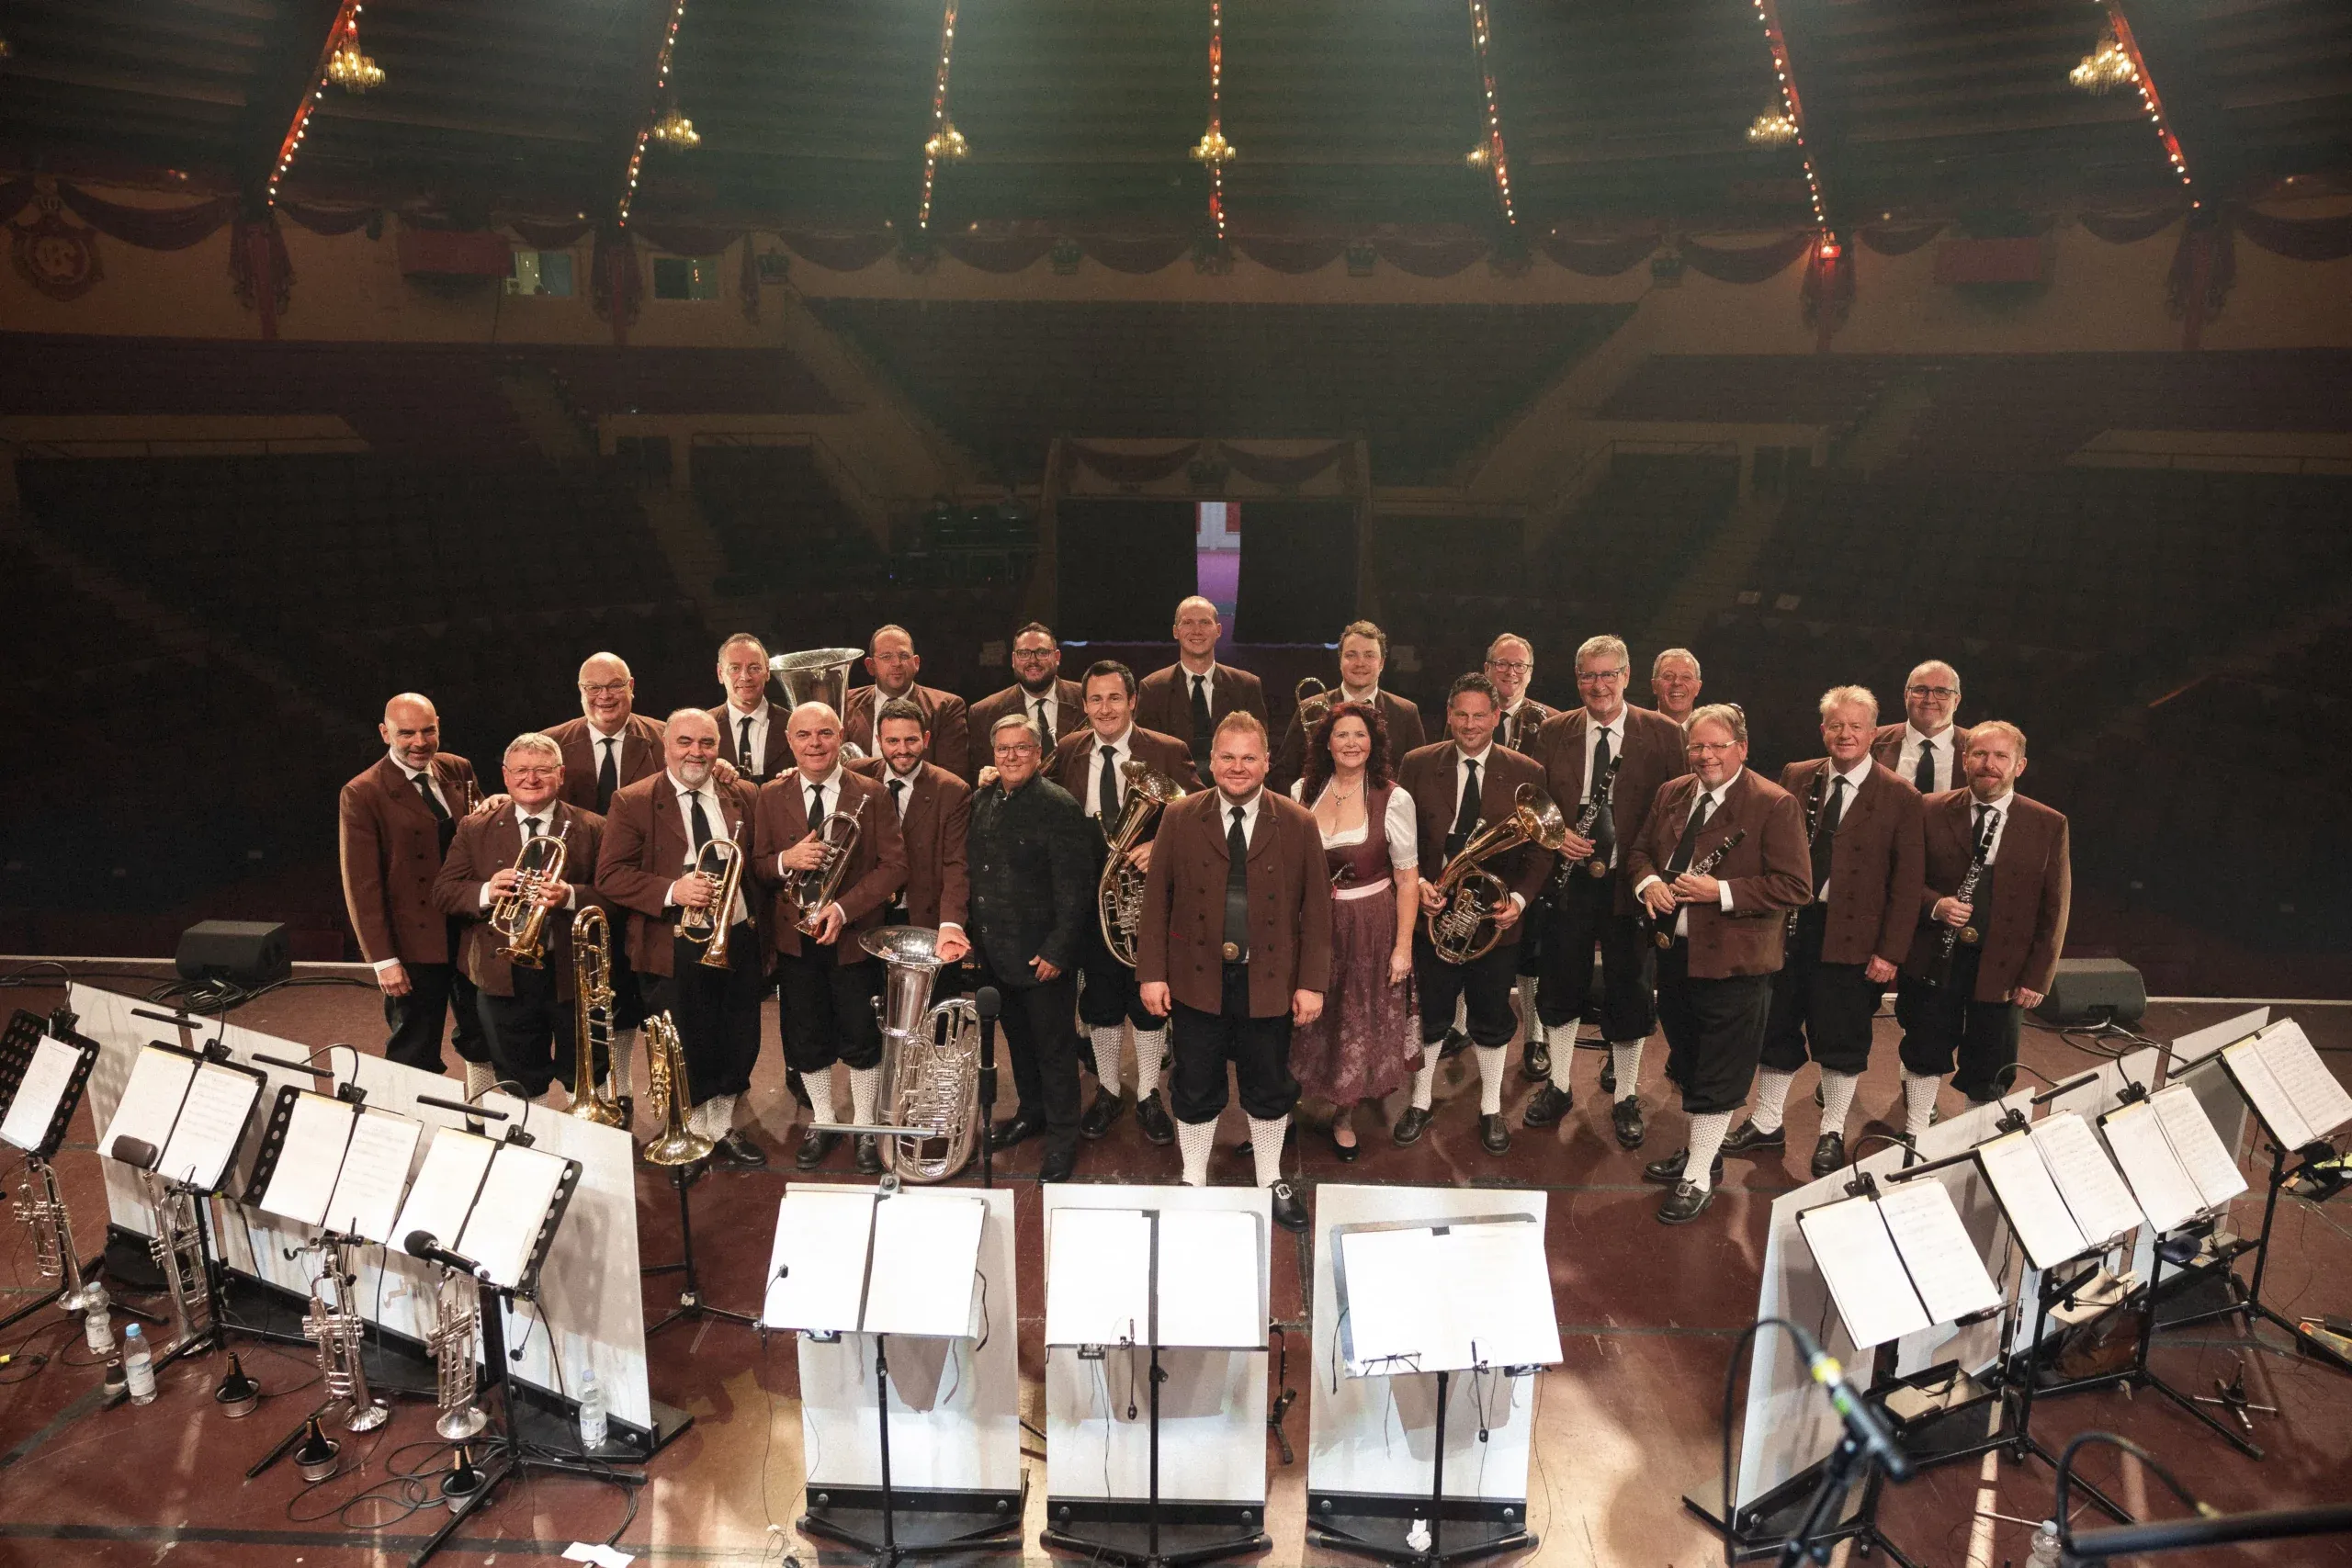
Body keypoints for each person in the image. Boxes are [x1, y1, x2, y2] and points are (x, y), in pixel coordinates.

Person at [1136, 712, 1329, 1232]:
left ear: (1266, 763)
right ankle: (1193, 1180)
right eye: (1227, 757)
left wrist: (1311, 983)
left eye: (1248, 757)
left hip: (1269, 981)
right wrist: (1152, 973)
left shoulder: (1298, 822)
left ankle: (1270, 1179)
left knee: (1268, 1083)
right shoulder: (1180, 817)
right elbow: (1155, 903)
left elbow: (1316, 911)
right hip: (1195, 979)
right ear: (1211, 761)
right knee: (1195, 1083)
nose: (1237, 767)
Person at [1726, 687, 1924, 1178]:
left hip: (1854, 939)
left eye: (1856, 726)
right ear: (1822, 730)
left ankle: (1832, 1130)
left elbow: (1907, 884)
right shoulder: (1796, 775)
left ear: (1874, 734)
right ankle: (1767, 1121)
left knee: (1842, 1037)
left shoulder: (1901, 795)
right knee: (1776, 1026)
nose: (1845, 734)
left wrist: (1889, 952)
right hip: (1789, 928)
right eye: (1836, 725)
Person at [1630, 704, 1811, 1224]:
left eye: (1717, 746)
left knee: (1719, 1070)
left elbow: (1795, 886)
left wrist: (1721, 891)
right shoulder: (1672, 792)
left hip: (1737, 964)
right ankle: (1701, 1155)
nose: (1705, 755)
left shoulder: (1774, 804)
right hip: (1675, 955)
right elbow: (1640, 852)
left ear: (1742, 748)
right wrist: (1649, 883)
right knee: (1688, 1060)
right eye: (1697, 746)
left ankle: (1698, 1177)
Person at [1525, 636, 1687, 1145]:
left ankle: (1626, 1096)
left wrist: (1652, 871)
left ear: (1627, 676)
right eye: (1589, 676)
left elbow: (1679, 810)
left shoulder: (1663, 733)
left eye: (1608, 674)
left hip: (1632, 882)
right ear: (1578, 680)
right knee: (1560, 981)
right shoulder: (1553, 731)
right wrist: (1556, 836)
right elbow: (1534, 804)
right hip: (1568, 881)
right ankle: (1558, 1085)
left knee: (1630, 988)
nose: (1599, 685)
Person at [594, 708, 765, 1164]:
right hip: (672, 944)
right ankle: (690, 1132)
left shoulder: (742, 793)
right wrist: (673, 890)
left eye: (707, 743)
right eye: (685, 742)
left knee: (738, 1038)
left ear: (719, 748)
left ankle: (721, 1128)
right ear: (665, 746)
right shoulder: (633, 800)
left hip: (736, 936)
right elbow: (610, 875)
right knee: (685, 1041)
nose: (696, 752)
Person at [1395, 671, 1550, 1154]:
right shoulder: (1418, 763)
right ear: (1448, 715)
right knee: (1430, 1015)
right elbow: (1398, 836)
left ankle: (1490, 1108)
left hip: (1494, 922)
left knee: (1491, 1016)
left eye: (1480, 715)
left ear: (1497, 716)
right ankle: (1419, 1102)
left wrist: (1518, 900)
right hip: (1431, 915)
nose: (1469, 724)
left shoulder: (1527, 770)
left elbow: (1541, 850)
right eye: (1461, 714)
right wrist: (1419, 884)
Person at [751, 701, 910, 1174]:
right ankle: (823, 1119)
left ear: (840, 737)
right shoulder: (769, 795)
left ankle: (864, 1125)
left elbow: (894, 866)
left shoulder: (872, 793)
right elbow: (758, 865)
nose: (814, 743)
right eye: (803, 735)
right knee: (807, 1036)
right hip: (795, 940)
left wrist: (843, 909)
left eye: (824, 733)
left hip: (853, 936)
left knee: (862, 1036)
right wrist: (786, 860)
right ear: (789, 741)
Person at [1046, 660, 1199, 1144]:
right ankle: (1109, 1091)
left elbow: (1202, 816)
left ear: (1133, 701)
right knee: (1100, 1001)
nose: (1105, 708)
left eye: (1115, 698)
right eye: (1095, 699)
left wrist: (1161, 846)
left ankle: (1150, 1093)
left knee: (1149, 1001)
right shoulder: (1068, 749)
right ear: (1084, 704)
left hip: (1148, 901)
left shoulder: (1168, 750)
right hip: (1091, 901)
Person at [1894, 721, 2069, 1138]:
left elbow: (2055, 907)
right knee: (1924, 1045)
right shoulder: (1928, 808)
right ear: (1964, 759)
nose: (1989, 764)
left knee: (1991, 1059)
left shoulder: (2048, 823)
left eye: (2001, 756)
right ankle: (1916, 1133)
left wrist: (2038, 976)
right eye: (1980, 754)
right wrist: (1935, 905)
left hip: (2004, 966)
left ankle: (1977, 1139)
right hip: (1935, 955)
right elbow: (1902, 879)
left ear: (2019, 766)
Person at [433, 734, 604, 1103]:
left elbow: (616, 896)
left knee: (585, 1072)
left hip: (571, 972)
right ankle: (529, 1134)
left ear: (560, 775)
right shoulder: (475, 826)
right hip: (502, 973)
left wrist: (571, 896)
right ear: (505, 776)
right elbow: (444, 892)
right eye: (521, 770)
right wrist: (486, 891)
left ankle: (582, 1133)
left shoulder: (593, 826)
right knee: (517, 1077)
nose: (531, 778)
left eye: (542, 770)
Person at [1286, 700, 1419, 1161]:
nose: (1351, 743)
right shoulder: (1302, 790)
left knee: (1355, 1019)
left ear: (1373, 743)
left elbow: (1407, 878)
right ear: (1327, 743)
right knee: (1301, 1016)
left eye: (1360, 735)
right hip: (1309, 924)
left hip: (1369, 925)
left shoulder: (1393, 798)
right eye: (1341, 734)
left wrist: (1403, 947)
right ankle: (1281, 1112)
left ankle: (1344, 1116)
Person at [967, 715, 1098, 1181]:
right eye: (1002, 748)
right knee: (1020, 1044)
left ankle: (1063, 1138)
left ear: (1039, 754)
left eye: (1021, 748)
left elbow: (1077, 888)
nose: (1011, 756)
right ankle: (1032, 1112)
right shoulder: (982, 799)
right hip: (996, 955)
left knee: (1055, 1051)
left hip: (1042, 958)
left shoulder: (1059, 806)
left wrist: (1058, 952)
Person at [339, 693, 492, 1088]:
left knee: (483, 1034)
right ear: (384, 733)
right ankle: (414, 1120)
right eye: (406, 733)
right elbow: (362, 885)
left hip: (469, 929)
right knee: (415, 1045)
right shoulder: (362, 792)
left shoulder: (458, 768)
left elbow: (478, 840)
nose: (419, 742)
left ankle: (483, 1113)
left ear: (438, 725)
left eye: (428, 731)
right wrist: (383, 960)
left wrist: (499, 809)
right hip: (413, 943)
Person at [543, 651, 666, 1115]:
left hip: (639, 886)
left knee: (629, 995)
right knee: (584, 994)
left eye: (614, 685)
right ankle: (589, 1089)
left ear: (632, 686)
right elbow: (526, 784)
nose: (604, 696)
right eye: (592, 688)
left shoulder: (665, 738)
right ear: (580, 692)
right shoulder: (552, 743)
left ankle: (622, 1085)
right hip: (575, 893)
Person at [1486, 632, 1557, 1081]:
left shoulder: (1550, 722)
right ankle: (1460, 1027)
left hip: (1531, 853)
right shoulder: (1470, 713)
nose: (1510, 672)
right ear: (1488, 668)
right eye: (1502, 664)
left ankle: (1535, 1036)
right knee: (1473, 938)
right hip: (1484, 849)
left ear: (1530, 673)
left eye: (1519, 666)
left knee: (1532, 953)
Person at [849, 698, 970, 960]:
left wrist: (951, 924)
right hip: (863, 916)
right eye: (892, 741)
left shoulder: (952, 790)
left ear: (926, 739)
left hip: (921, 917)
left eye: (911, 740)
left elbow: (956, 864)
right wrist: (790, 774)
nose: (902, 750)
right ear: (879, 741)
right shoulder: (855, 774)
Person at [1272, 620, 1426, 795]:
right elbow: (1283, 773)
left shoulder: (1406, 713)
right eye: (1351, 655)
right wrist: (1302, 805)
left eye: (1369, 655)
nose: (1360, 663)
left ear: (1382, 663)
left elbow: (1419, 776)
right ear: (1340, 661)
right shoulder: (1310, 709)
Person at [1135, 595, 1269, 777]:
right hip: (1174, 789)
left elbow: (1260, 749)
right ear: (1175, 631)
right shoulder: (1152, 688)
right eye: (1188, 623)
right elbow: (1145, 756)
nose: (1196, 630)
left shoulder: (1247, 686)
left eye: (1205, 622)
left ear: (1218, 630)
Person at [843, 624, 972, 781]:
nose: (896, 663)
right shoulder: (845, 702)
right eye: (886, 657)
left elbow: (952, 779)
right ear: (870, 666)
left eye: (904, 656)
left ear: (916, 663)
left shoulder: (947, 707)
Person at [967, 621, 1082, 758]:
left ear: (1057, 657)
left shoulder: (1086, 697)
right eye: (1024, 653)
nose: (1032, 661)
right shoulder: (984, 713)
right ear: (1013, 660)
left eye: (1042, 652)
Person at [1873, 660, 1970, 795]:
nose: (1930, 700)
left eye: (1941, 692)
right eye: (1920, 690)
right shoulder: (1871, 740)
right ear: (1906, 696)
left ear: (1956, 701)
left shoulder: (1977, 746)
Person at [711, 633, 790, 783]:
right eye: (735, 668)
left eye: (754, 668)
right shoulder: (702, 726)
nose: (745, 677)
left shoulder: (793, 724)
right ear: (720, 674)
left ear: (767, 672)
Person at [1650, 649, 1703, 727]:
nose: (1677, 682)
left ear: (1698, 687)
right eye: (1668, 676)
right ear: (1654, 685)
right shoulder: (1637, 730)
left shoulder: (1710, 732)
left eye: (1686, 677)